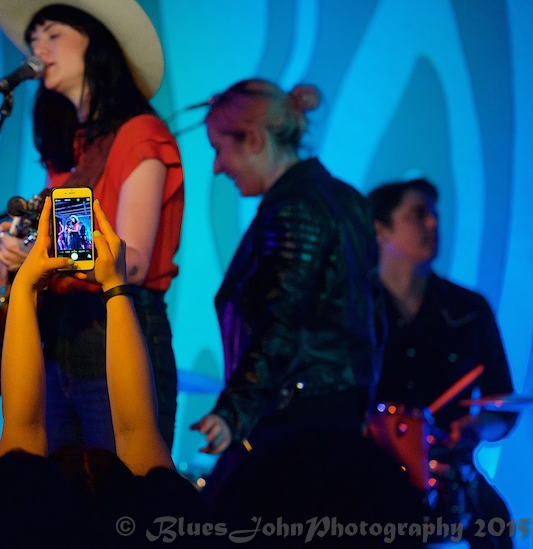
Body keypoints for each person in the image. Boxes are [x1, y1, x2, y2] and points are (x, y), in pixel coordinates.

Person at [0, 0, 185, 453]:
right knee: (61, 506)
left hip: (118, 326)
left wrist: (36, 260)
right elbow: (63, 243)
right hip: (60, 334)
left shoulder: (140, 134)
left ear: (96, 43)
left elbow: (128, 261)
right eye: (32, 39)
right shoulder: (69, 148)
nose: (38, 50)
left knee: (121, 502)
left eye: (53, 34)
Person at [0, 198, 206, 548]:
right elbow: (137, 432)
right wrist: (115, 286)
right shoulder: (152, 517)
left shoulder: (13, 522)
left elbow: (22, 426)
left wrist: (25, 283)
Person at [189, 79, 385, 518]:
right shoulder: (347, 199)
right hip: (336, 412)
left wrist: (232, 412)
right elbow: (375, 317)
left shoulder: (294, 207)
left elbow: (280, 323)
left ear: (254, 139)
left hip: (296, 419)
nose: (218, 168)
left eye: (220, 149)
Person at [368, 178, 517, 548]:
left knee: (495, 526)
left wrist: (476, 427)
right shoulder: (352, 311)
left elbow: (504, 404)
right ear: (380, 229)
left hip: (451, 470)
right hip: (373, 472)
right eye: (418, 215)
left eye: (434, 215)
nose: (433, 224)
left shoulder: (470, 309)